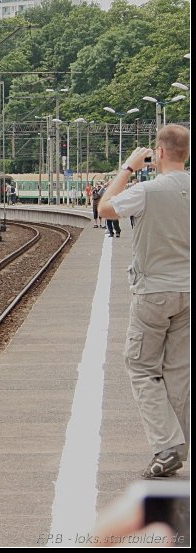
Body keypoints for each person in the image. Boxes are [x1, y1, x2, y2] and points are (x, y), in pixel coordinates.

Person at [99, 124, 190, 479]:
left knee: (140, 366)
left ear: (160, 152)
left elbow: (104, 208)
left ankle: (167, 445)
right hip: (189, 291)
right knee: (179, 373)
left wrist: (128, 168)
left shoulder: (147, 190)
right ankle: (177, 445)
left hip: (154, 292)